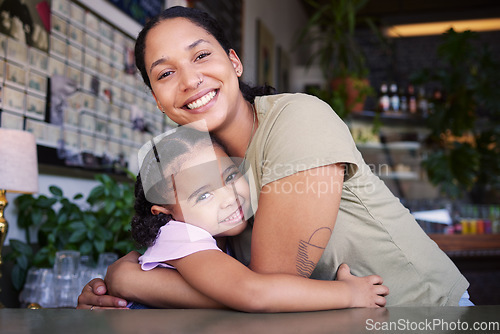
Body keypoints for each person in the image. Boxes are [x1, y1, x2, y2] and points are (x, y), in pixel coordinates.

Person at [77, 6, 470, 310]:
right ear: (158, 102)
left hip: (421, 313)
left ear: (233, 62)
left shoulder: (297, 119)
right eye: (165, 74)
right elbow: (184, 244)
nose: (189, 80)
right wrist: (126, 271)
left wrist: (133, 282)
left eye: (200, 56)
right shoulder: (196, 164)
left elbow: (267, 288)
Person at [126, 127, 387, 311]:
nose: (229, 198)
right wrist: (349, 294)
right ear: (165, 212)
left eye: (229, 177)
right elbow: (253, 293)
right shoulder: (180, 236)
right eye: (203, 196)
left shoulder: (209, 233)